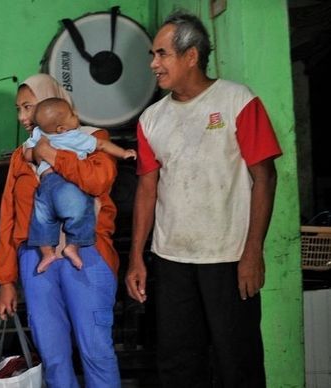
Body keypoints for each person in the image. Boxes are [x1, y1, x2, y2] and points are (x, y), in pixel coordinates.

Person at [124, 11, 281, 387]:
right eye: (153, 55)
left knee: (237, 361)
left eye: (162, 54)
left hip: (228, 259)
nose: (154, 64)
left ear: (191, 56)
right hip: (171, 260)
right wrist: (136, 259)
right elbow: (147, 190)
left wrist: (253, 252)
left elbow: (265, 177)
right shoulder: (151, 119)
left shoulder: (237, 101)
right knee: (178, 363)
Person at [0, 73, 121, 388]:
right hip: (36, 260)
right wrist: (6, 280)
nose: (23, 117)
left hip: (87, 254)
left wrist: (50, 153)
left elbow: (98, 182)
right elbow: (8, 220)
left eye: (29, 107)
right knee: (52, 356)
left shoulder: (92, 139)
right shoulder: (20, 156)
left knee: (97, 350)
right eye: (18, 109)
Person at [24, 97, 136, 273]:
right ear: (62, 127)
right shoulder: (76, 136)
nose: (76, 116)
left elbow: (29, 155)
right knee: (82, 211)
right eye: (72, 114)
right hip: (65, 184)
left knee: (42, 219)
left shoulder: (39, 135)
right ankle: (73, 245)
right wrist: (123, 153)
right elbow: (101, 145)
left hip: (45, 185)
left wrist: (41, 151)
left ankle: (46, 252)